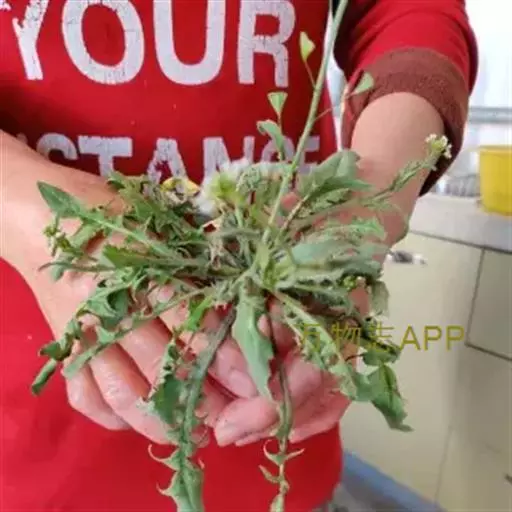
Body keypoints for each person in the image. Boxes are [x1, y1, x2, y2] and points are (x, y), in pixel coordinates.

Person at [0, 1, 477, 511]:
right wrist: (41, 219)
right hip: (31, 455)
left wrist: (369, 202)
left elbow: (408, 12)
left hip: (282, 442)